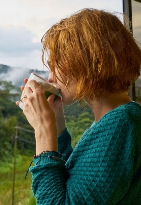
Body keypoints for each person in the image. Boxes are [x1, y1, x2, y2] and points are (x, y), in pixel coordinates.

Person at [17, 8, 141, 204]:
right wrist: (57, 127)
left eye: (55, 64)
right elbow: (75, 181)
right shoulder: (116, 119)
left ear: (89, 62)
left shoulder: (120, 124)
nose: (50, 77)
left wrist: (43, 132)